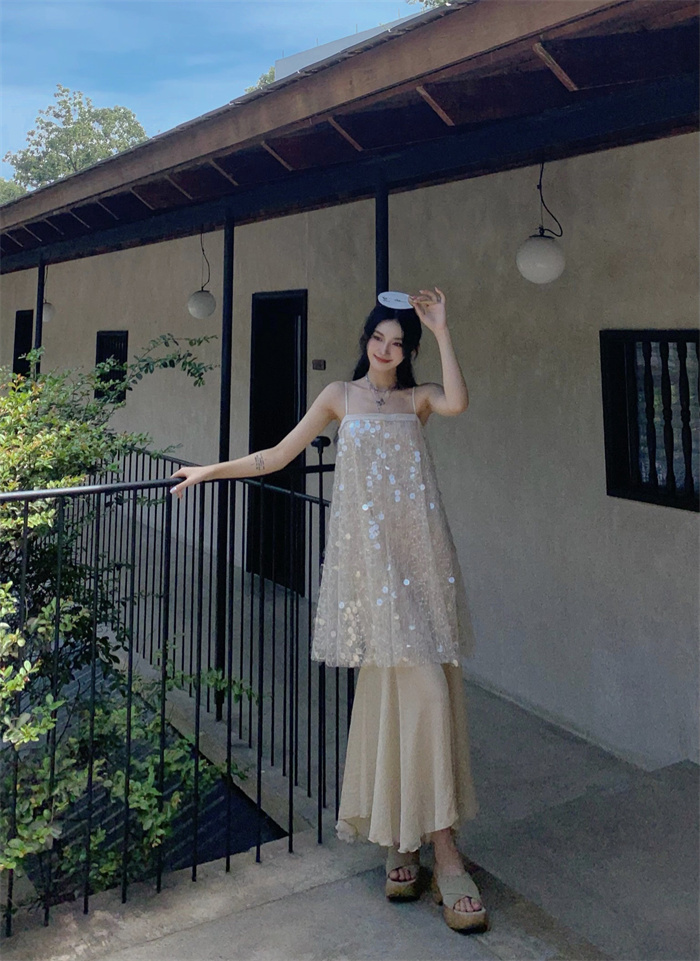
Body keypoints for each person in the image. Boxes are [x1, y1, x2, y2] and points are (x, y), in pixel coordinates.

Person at [170, 288, 487, 933]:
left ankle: (427, 846)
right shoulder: (340, 396)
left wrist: (442, 329)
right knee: (404, 694)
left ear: (408, 351)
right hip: (373, 574)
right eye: (378, 338)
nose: (385, 350)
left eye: (398, 343)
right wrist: (209, 471)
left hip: (421, 563)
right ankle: (420, 844)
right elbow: (275, 456)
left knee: (420, 693)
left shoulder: (416, 400)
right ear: (366, 338)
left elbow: (457, 401)